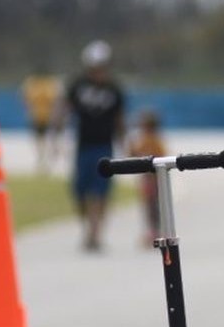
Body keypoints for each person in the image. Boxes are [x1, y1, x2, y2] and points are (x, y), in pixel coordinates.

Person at [57, 40, 127, 252]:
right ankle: (88, 225)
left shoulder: (114, 89)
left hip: (104, 146)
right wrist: (56, 132)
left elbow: (119, 118)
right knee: (79, 190)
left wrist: (125, 143)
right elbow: (65, 109)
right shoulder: (78, 86)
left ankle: (94, 233)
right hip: (83, 145)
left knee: (101, 191)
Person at [126, 109, 168, 247]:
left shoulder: (153, 140)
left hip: (153, 178)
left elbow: (159, 158)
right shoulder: (146, 139)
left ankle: (155, 232)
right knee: (150, 207)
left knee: (152, 207)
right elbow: (134, 155)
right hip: (147, 178)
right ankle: (153, 231)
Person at [20, 68, 62, 174]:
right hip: (41, 116)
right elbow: (25, 99)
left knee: (47, 140)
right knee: (42, 140)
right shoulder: (46, 84)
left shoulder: (37, 84)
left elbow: (25, 99)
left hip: (45, 116)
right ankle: (43, 160)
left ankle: (46, 159)